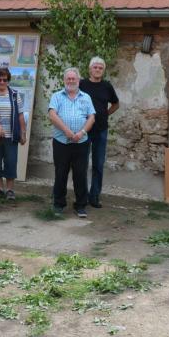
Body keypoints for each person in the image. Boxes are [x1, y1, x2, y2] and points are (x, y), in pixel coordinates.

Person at [48, 67, 95, 218]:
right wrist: (66, 131)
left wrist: (82, 132)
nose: (71, 81)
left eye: (73, 78)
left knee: (80, 174)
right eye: (68, 78)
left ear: (78, 80)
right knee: (61, 173)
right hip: (61, 141)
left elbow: (91, 117)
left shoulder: (86, 97)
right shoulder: (57, 96)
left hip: (81, 142)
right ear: (64, 80)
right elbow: (52, 114)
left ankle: (80, 206)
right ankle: (58, 204)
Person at [78, 56, 120, 208]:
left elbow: (116, 103)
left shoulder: (107, 86)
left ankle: (94, 196)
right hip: (83, 129)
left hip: (101, 130)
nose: (97, 70)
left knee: (98, 164)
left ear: (103, 71)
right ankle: (81, 195)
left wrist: (105, 114)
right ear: (90, 69)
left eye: (100, 68)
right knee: (81, 163)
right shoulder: (81, 84)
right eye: (95, 67)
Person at [0, 67, 27, 200]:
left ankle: (10, 190)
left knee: (11, 161)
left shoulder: (15, 95)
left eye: (4, 80)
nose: (1, 82)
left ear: (8, 81)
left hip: (11, 135)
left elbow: (21, 116)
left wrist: (23, 133)